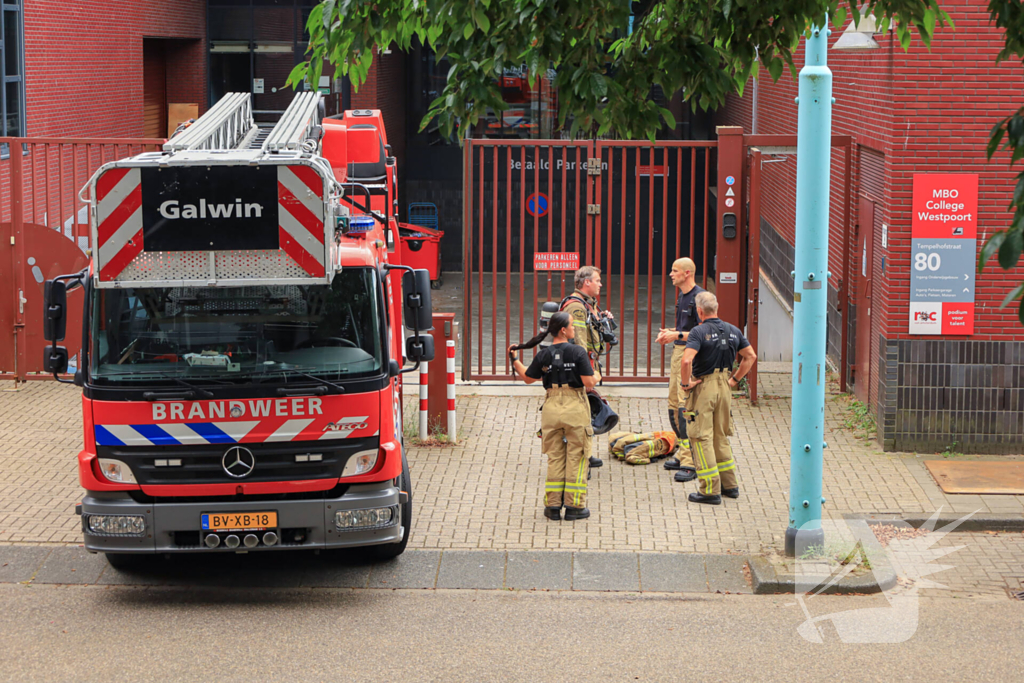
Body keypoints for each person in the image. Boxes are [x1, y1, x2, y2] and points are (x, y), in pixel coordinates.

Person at [509, 312, 598, 521]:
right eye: (572, 326)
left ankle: (553, 507)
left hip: (551, 409)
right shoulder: (578, 352)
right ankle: (575, 507)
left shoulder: (544, 354)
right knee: (577, 455)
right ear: (564, 330)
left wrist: (514, 359)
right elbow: (589, 383)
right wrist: (597, 375)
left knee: (555, 457)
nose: (575, 329)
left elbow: (527, 378)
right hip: (574, 407)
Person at [678, 291, 756, 505]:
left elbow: (686, 362)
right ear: (717, 308)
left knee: (701, 437)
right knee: (720, 436)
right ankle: (729, 486)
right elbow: (750, 356)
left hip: (704, 386)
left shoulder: (698, 331)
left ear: (700, 311)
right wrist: (734, 380)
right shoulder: (733, 330)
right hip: (724, 387)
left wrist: (686, 384)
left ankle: (709, 490)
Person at [654, 257, 705, 483]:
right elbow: (687, 329)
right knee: (674, 406)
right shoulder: (682, 297)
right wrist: (671, 332)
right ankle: (682, 452)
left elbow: (703, 332)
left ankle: (690, 461)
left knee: (686, 407)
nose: (670, 274)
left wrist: (677, 335)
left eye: (675, 271)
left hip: (690, 355)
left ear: (687, 273)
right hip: (679, 352)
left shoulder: (699, 298)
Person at [561, 265, 615, 469]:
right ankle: (578, 459)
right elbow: (578, 344)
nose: (601, 284)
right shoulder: (576, 307)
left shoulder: (588, 304)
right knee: (577, 414)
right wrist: (585, 374)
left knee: (585, 411)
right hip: (581, 367)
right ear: (587, 283)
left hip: (589, 363)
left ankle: (586, 453)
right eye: (598, 280)